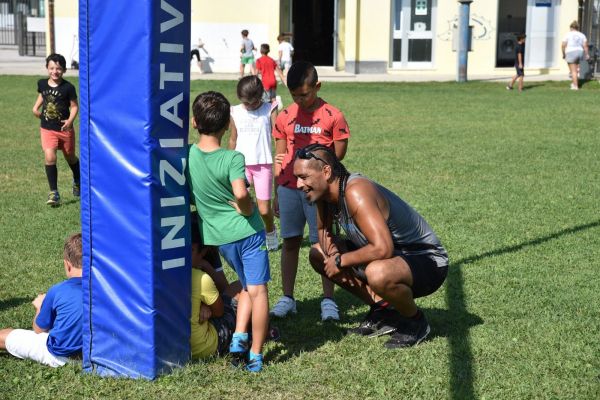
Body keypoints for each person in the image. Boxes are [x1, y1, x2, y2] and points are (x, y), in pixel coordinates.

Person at [293, 145, 448, 348]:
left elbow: (383, 249)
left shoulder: (356, 192)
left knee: (378, 272)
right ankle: (383, 310)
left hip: (427, 261)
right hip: (393, 257)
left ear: (326, 171)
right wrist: (332, 255)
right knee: (318, 254)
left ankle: (416, 322)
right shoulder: (325, 194)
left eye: (304, 177)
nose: (298, 184)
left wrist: (341, 260)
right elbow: (323, 232)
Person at [187, 91, 270, 372]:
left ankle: (237, 338)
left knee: (247, 285)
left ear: (194, 122)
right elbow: (240, 192)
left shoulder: (189, 155)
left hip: (219, 239)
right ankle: (256, 355)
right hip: (247, 233)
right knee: (258, 292)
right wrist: (247, 208)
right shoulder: (233, 158)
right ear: (227, 126)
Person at [270, 61, 350, 321]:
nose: (299, 100)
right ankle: (287, 297)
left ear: (317, 86)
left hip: (319, 195)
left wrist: (326, 190)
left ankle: (328, 300)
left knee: (324, 243)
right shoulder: (284, 116)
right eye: (294, 95)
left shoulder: (333, 115)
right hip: (289, 190)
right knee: (290, 242)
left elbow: (337, 158)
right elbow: (280, 156)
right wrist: (276, 191)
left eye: (304, 94)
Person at [0, 233, 83, 367]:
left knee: (4, 334)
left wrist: (39, 306)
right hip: (98, 354)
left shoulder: (58, 290)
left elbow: (39, 330)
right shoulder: (106, 289)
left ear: (67, 265)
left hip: (61, 356)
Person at [228, 76, 279, 251]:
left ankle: (270, 231)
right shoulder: (235, 111)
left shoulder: (270, 108)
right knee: (242, 203)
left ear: (260, 96)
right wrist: (229, 162)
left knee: (264, 210)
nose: (249, 106)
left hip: (263, 165)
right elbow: (233, 139)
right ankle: (247, 237)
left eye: (252, 103)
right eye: (245, 103)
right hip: (241, 166)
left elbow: (278, 136)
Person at [189, 211, 241, 359]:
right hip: (206, 331)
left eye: (191, 250)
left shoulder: (209, 255)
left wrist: (206, 266)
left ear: (204, 251)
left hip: (209, 305)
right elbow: (219, 311)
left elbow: (224, 288)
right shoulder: (196, 275)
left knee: (240, 286)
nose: (185, 254)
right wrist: (202, 306)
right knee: (244, 288)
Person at [32, 53, 80, 207]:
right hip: (47, 128)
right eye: (51, 68)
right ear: (47, 68)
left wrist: (70, 121)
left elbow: (74, 106)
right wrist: (35, 108)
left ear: (64, 70)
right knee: (50, 156)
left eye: (58, 68)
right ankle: (54, 192)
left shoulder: (68, 87)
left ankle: (78, 179)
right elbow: (43, 96)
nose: (55, 71)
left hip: (64, 129)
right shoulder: (42, 83)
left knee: (70, 157)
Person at [561, 21, 590, 90]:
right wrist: (587, 54)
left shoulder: (567, 34)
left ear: (571, 27)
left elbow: (563, 45)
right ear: (577, 28)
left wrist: (564, 54)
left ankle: (575, 86)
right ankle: (574, 83)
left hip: (571, 52)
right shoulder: (582, 35)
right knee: (575, 70)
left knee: (573, 71)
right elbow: (585, 46)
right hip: (579, 52)